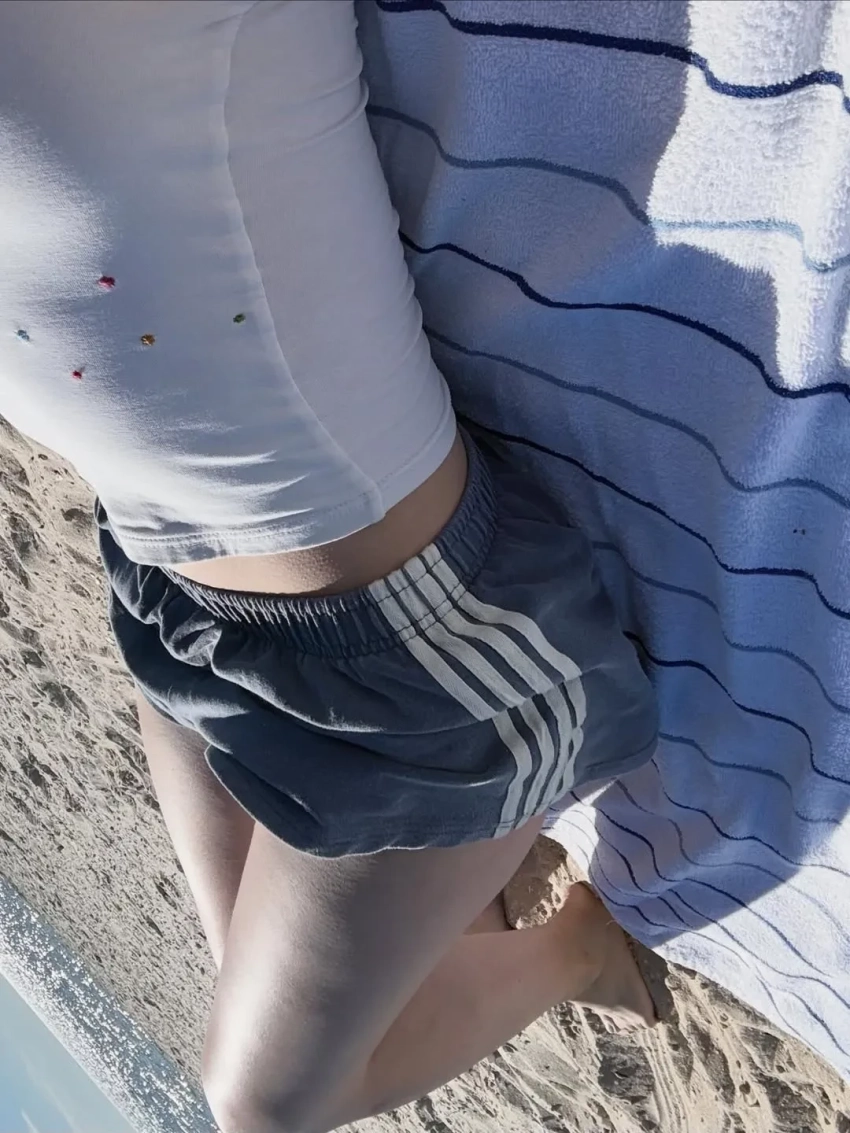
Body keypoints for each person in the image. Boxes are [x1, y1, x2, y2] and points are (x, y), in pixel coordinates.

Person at [0, 2, 660, 1132]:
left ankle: (575, 950)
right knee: (250, 975)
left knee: (258, 1103)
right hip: (162, 581)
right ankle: (448, 903)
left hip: (414, 670)